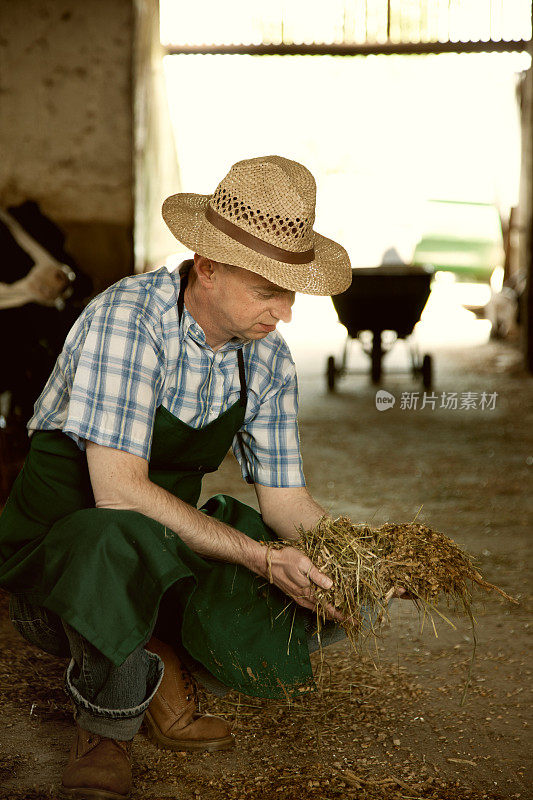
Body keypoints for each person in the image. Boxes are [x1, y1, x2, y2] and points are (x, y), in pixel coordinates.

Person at [0, 155, 408, 800]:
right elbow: (119, 492)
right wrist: (258, 558)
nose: (285, 314)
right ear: (208, 268)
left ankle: (155, 660)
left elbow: (287, 501)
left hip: (156, 551)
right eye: (266, 291)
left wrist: (358, 561)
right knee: (115, 537)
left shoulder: (266, 359)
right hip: (60, 564)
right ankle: (106, 729)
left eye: (289, 292)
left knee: (300, 574)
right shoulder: (127, 320)